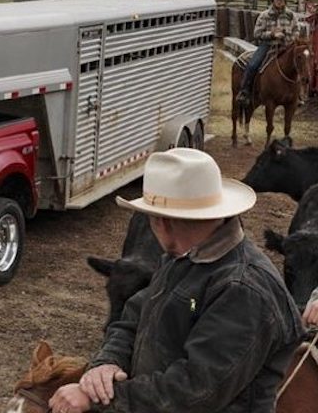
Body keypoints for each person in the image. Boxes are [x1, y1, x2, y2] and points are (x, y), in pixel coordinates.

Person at [49, 148, 306, 413]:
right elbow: (134, 316)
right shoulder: (185, 256)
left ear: (162, 223)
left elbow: (195, 392)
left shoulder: (244, 290)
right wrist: (106, 362)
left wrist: (98, 399)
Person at [235, 0, 302, 106]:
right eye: (277, 0)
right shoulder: (265, 15)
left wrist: (290, 36)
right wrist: (272, 34)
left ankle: (298, 94)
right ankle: (244, 91)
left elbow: (297, 30)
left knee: (299, 65)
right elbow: (257, 33)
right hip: (268, 45)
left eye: (282, 0)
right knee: (253, 65)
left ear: (285, 1)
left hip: (286, 46)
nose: (280, 2)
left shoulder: (291, 15)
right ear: (273, 1)